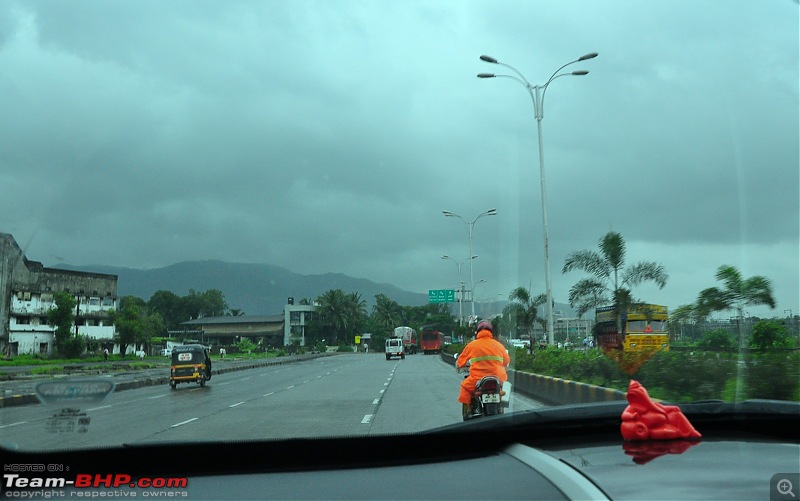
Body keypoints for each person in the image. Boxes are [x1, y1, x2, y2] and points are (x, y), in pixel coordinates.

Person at [455, 320, 510, 418]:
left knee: (465, 387)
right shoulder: (498, 345)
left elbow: (461, 361)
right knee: (505, 386)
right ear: (491, 331)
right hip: (498, 377)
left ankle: (468, 410)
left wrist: (459, 366)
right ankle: (502, 405)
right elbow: (506, 361)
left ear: (478, 331)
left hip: (478, 378)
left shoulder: (472, 345)